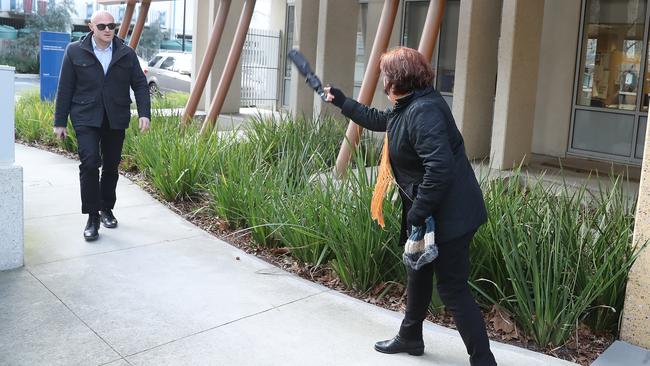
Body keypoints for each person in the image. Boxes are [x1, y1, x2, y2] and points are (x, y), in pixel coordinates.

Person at [324, 47, 497, 366]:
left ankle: (483, 360)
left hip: (451, 216)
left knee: (453, 290)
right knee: (417, 272)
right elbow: (381, 120)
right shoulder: (411, 104)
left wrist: (417, 211)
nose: (383, 81)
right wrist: (342, 101)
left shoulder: (424, 111)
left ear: (397, 79)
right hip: (432, 211)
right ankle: (411, 336)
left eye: (385, 76)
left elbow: (440, 168)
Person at [53, 10, 151, 241]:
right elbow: (65, 87)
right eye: (102, 26)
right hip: (85, 115)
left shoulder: (127, 53)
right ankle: (92, 216)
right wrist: (59, 121)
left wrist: (144, 113)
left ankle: (107, 208)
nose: (108, 29)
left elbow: (139, 84)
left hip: (115, 116)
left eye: (112, 25)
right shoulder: (75, 51)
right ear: (91, 27)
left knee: (110, 166)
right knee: (89, 164)